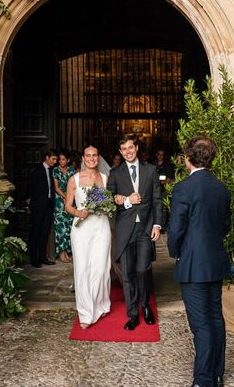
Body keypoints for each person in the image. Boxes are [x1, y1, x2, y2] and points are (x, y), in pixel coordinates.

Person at [167, 137, 231, 387]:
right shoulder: (221, 187)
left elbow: (175, 230)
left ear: (188, 158)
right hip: (215, 260)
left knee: (201, 324)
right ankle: (216, 373)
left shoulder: (183, 188)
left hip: (193, 263)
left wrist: (176, 252)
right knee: (215, 317)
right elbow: (225, 226)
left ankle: (204, 380)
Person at [106, 135, 162, 331]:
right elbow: (109, 200)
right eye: (124, 150)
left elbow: (157, 200)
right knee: (128, 274)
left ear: (136, 148)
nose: (128, 152)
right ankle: (132, 314)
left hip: (145, 229)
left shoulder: (151, 170)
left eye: (131, 148)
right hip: (125, 230)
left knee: (142, 270)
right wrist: (125, 200)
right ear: (120, 152)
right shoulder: (115, 173)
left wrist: (157, 225)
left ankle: (145, 306)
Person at [64, 145, 112, 329]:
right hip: (81, 230)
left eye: (95, 155)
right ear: (83, 158)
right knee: (83, 268)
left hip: (101, 227)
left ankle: (100, 304)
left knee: (101, 268)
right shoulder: (74, 179)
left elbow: (109, 201)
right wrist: (78, 211)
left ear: (98, 158)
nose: (92, 158)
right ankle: (85, 312)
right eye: (88, 156)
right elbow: (67, 205)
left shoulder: (106, 178)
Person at [26, 149, 58, 268]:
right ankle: (34, 259)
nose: (55, 161)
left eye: (56, 159)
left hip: (49, 205)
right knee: (36, 232)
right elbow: (30, 186)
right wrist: (28, 202)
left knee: (45, 232)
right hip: (38, 206)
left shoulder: (52, 171)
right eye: (53, 159)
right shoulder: (37, 170)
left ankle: (43, 257)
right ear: (46, 157)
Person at [53, 149, 76, 263]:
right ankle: (61, 253)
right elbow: (56, 187)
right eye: (59, 159)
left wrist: (70, 196)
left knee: (69, 227)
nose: (61, 161)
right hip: (59, 202)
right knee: (60, 228)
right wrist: (65, 196)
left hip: (71, 201)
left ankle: (67, 251)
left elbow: (75, 185)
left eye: (63, 159)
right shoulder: (56, 170)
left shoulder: (72, 170)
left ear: (68, 160)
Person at [153, 148, 175, 228]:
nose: (160, 156)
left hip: (164, 190)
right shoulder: (152, 165)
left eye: (162, 155)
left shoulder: (167, 166)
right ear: (156, 155)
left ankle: (162, 226)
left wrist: (165, 181)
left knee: (163, 208)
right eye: (159, 154)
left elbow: (171, 179)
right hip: (154, 190)